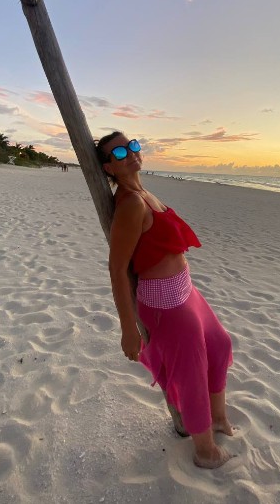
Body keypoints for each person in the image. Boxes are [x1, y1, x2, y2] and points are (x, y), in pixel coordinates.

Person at [95, 131, 233, 469]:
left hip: (186, 291)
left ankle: (217, 419)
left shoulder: (144, 192)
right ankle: (205, 450)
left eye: (132, 146)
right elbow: (117, 270)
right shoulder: (131, 204)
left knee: (220, 346)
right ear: (109, 168)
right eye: (119, 153)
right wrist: (128, 328)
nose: (130, 153)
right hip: (165, 304)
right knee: (192, 374)